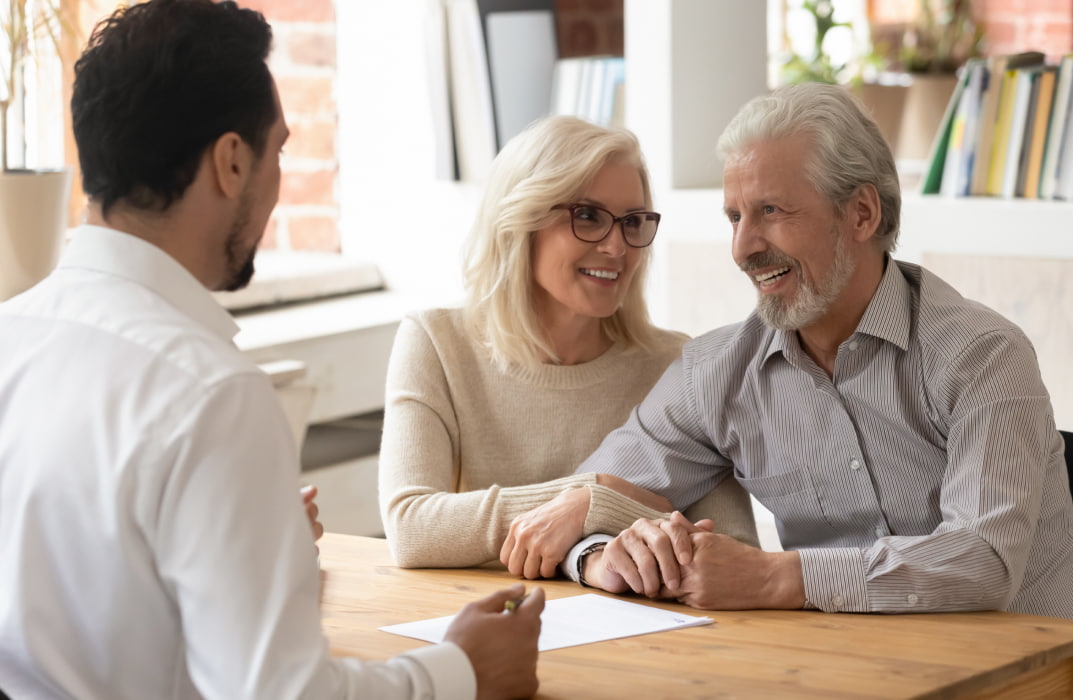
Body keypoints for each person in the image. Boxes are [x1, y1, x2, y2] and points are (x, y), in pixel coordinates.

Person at [0, 1, 543, 698]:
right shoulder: (210, 396)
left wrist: (252, 546)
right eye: (279, 150)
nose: (278, 180)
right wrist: (460, 670)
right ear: (231, 161)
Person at [559, 82, 1073, 618]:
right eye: (735, 217)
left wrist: (775, 577)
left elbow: (983, 562)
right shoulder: (716, 374)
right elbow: (576, 509)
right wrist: (603, 557)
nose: (743, 248)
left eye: (772, 211)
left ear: (862, 214)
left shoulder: (983, 356)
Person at [378, 115, 757, 578]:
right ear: (520, 222)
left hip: (647, 640)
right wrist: (599, 489)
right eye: (588, 216)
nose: (618, 248)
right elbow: (412, 527)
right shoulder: (436, 343)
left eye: (633, 222)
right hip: (489, 625)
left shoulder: (678, 364)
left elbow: (730, 547)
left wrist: (587, 510)